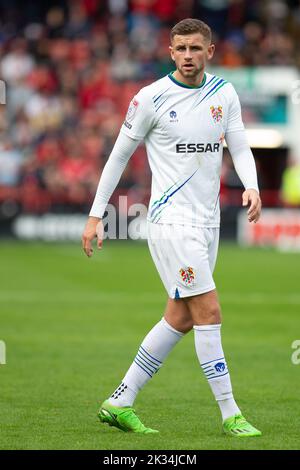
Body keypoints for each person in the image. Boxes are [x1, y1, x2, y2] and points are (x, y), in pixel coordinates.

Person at [82, 18, 262, 437]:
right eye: (180, 49)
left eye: (195, 49)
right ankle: (231, 413)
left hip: (207, 223)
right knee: (209, 311)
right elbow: (118, 157)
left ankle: (120, 400)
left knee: (179, 318)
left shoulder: (225, 94)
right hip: (171, 223)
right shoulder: (150, 98)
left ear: (210, 52)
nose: (187, 57)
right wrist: (95, 214)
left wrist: (252, 185)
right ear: (170, 51)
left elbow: (239, 144)